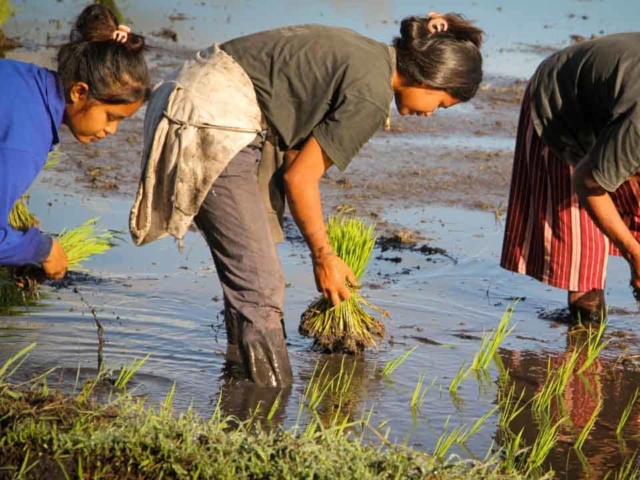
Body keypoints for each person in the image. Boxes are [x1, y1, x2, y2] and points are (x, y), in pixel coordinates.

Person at [130, 13, 484, 386]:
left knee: (252, 267)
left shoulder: (369, 57)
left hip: (193, 96)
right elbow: (300, 178)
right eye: (440, 104)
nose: (430, 113)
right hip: (212, 118)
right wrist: (324, 255)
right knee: (261, 286)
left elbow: (297, 159)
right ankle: (266, 400)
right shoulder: (371, 95)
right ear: (432, 79)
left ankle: (238, 380)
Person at [0, 4, 149, 280]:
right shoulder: (27, 139)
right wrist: (41, 249)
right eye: (110, 116)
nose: (112, 130)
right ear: (80, 92)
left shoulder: (21, 80)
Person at [500, 33, 640, 323]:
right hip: (562, 104)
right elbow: (586, 182)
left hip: (616, 101)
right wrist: (634, 254)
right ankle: (585, 328)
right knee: (581, 238)